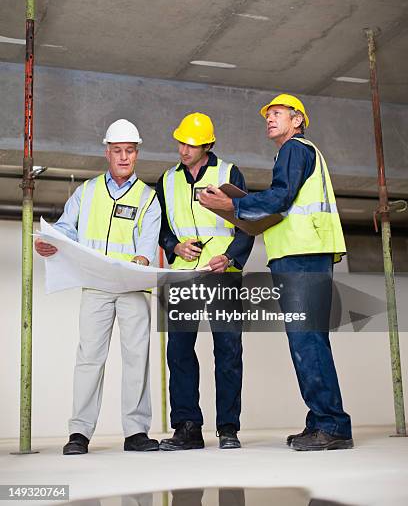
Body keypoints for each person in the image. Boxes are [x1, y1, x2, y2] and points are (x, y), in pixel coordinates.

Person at [199, 95, 353, 451]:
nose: (270, 119)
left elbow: (281, 198)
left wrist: (232, 204)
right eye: (268, 115)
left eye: (278, 114)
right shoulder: (294, 152)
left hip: (303, 254)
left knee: (306, 340)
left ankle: (332, 425)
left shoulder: (295, 150)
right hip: (299, 253)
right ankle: (320, 420)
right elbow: (283, 203)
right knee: (309, 339)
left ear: (297, 120)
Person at [35, 119, 161, 454]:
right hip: (95, 286)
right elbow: (65, 229)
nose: (124, 157)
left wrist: (139, 263)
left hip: (133, 288)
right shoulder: (86, 192)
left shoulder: (148, 198)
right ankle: (79, 433)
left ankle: (136, 432)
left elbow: (147, 248)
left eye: (130, 151)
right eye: (118, 151)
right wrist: (50, 243)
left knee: (137, 358)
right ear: (107, 152)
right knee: (89, 357)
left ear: (136, 154)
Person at [156, 113, 254, 450]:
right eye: (181, 142)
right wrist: (174, 246)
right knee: (179, 351)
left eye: (191, 144)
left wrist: (229, 258)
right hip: (183, 274)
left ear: (208, 145)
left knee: (227, 350)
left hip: (222, 273)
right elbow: (162, 227)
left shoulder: (228, 173)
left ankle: (228, 428)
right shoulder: (167, 180)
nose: (183, 149)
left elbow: (247, 222)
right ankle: (187, 428)